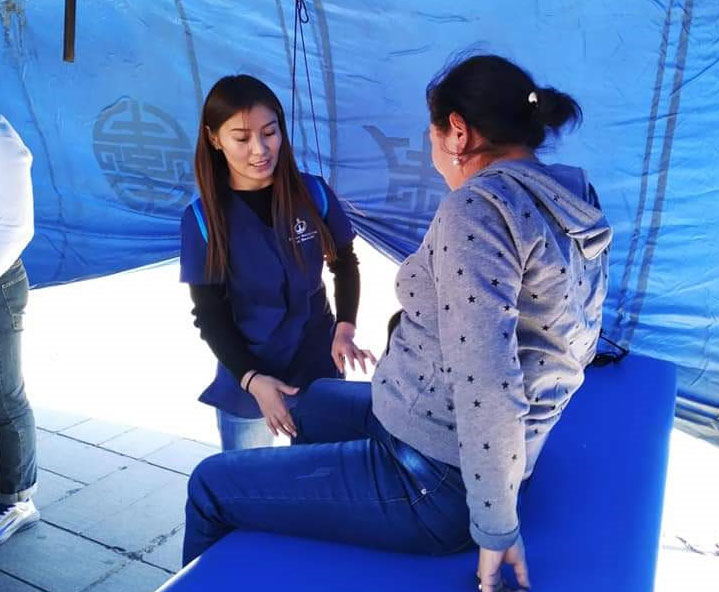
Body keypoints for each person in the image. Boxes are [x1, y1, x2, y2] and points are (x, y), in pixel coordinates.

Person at [183, 55, 611, 591]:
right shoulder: (568, 193)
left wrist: (496, 528)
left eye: (431, 136)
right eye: (242, 137)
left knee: (210, 484)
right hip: (423, 421)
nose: (259, 148)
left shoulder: (476, 210)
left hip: (434, 475)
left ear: (457, 133)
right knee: (309, 403)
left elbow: (487, 381)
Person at [180, 75, 373, 451]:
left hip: (317, 364)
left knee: (321, 472)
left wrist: (345, 328)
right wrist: (252, 379)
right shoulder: (202, 220)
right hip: (247, 370)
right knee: (249, 481)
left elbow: (345, 262)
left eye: (269, 132)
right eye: (241, 138)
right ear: (214, 139)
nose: (260, 150)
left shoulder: (313, 193)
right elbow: (209, 313)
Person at [0, 114, 39, 544]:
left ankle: (18, 500)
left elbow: (16, 229)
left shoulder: (4, 144)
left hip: (0, 282)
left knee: (4, 394)